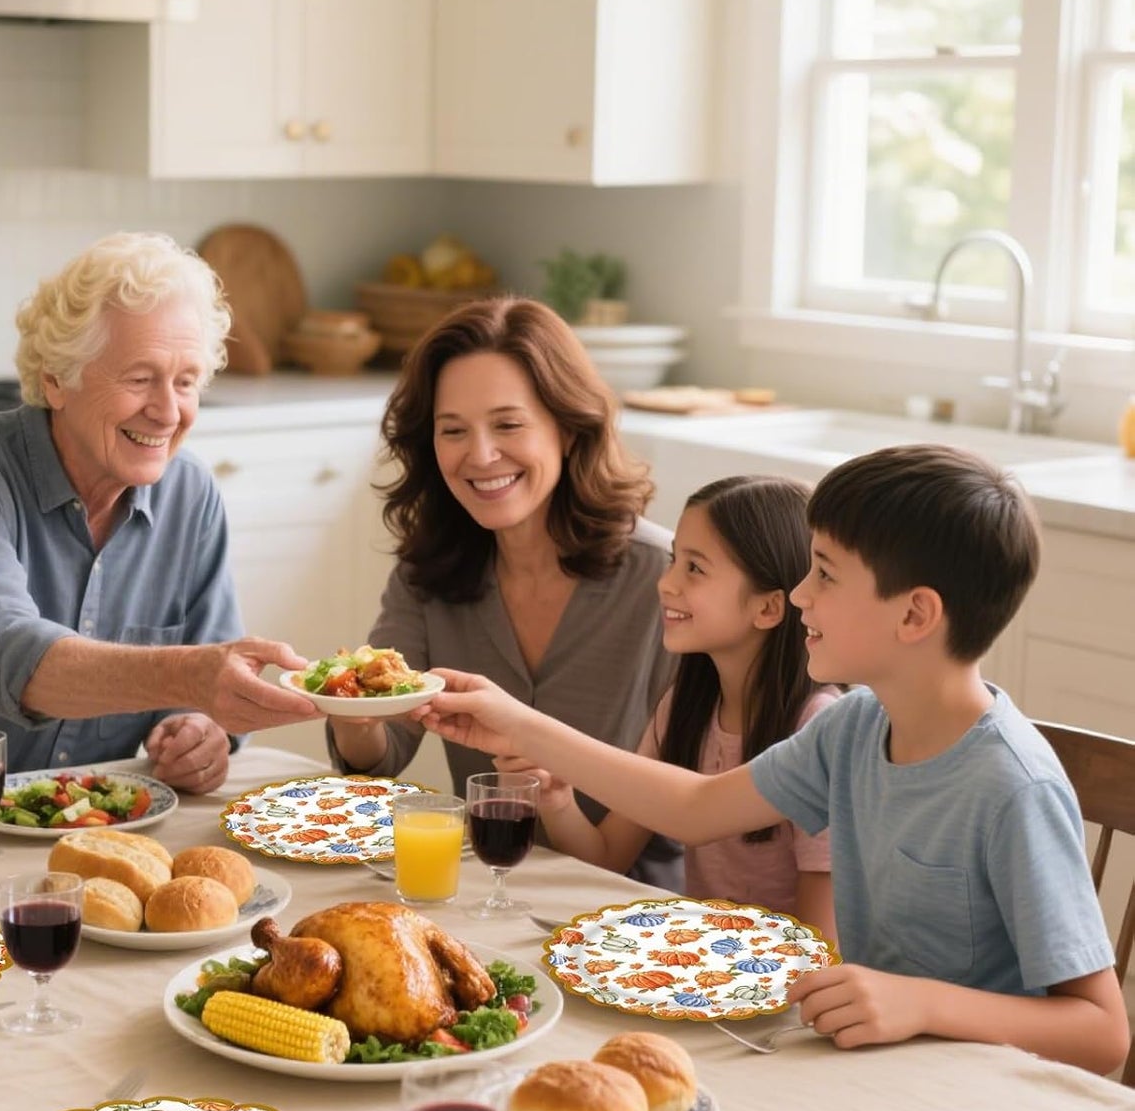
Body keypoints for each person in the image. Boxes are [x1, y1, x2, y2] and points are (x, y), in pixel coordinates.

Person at [419, 444, 1129, 1075]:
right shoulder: (852, 728)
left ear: (913, 615)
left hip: (981, 1102)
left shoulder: (1011, 784)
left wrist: (921, 1003)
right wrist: (516, 723)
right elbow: (694, 808)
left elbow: (1101, 1034)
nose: (798, 595)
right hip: (878, 1073)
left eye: (823, 574)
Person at [0, 231, 315, 796]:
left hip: (85, 822)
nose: (168, 411)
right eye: (140, 378)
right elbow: (5, 655)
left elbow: (205, 698)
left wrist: (198, 731)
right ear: (56, 379)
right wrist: (190, 675)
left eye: (187, 381)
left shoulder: (190, 494)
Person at [325, 296, 681, 885]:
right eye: (453, 431)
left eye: (509, 424)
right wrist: (352, 709)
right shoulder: (426, 574)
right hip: (488, 891)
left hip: (636, 923)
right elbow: (380, 759)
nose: (481, 455)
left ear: (568, 429)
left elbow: (642, 836)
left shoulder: (664, 581)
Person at [509, 475, 840, 935]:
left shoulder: (819, 728)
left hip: (774, 986)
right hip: (699, 964)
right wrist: (558, 800)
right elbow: (607, 857)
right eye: (673, 561)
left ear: (767, 608)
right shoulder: (685, 707)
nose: (666, 583)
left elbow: (820, 944)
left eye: (695, 569)